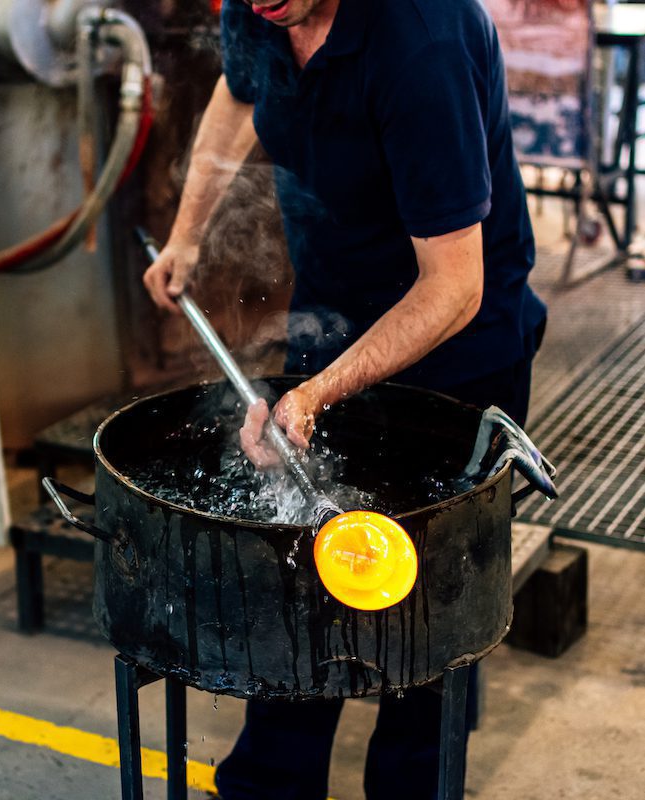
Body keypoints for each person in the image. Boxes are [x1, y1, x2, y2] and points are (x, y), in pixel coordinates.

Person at [143, 1, 547, 797]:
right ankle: (272, 780)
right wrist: (189, 231)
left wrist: (315, 394)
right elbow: (240, 92)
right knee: (301, 566)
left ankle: (411, 784)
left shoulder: (423, 41)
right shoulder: (261, 7)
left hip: (456, 354)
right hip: (333, 317)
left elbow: (454, 288)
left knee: (420, 610)